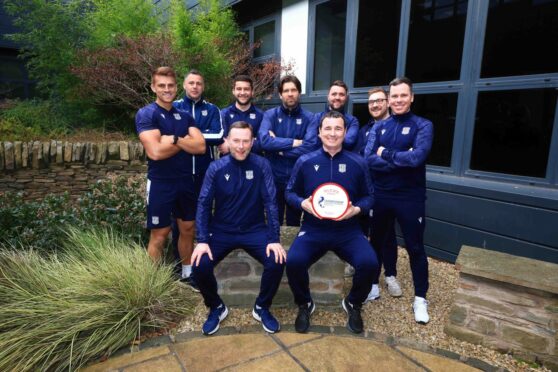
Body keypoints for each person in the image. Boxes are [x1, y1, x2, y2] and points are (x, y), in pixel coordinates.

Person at [285, 110, 378, 334]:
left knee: (370, 264)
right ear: (319, 132)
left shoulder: (358, 162)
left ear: (345, 132)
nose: (333, 133)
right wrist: (302, 204)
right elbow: (289, 192)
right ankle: (305, 303)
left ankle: (354, 303)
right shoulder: (305, 161)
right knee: (294, 262)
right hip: (313, 228)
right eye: (328, 128)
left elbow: (370, 197)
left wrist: (356, 209)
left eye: (338, 128)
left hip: (347, 230)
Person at [191, 121, 286, 335]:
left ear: (253, 142)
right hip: (222, 230)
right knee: (199, 265)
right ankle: (216, 306)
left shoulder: (262, 165)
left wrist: (274, 238)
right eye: (236, 141)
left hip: (254, 230)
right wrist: (202, 240)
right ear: (227, 141)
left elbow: (271, 202)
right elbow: (204, 203)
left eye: (245, 141)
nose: (241, 146)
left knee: (277, 260)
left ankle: (262, 307)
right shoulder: (216, 168)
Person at [363, 77, 433, 324]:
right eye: (394, 96)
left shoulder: (423, 126)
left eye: (403, 95)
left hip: (410, 197)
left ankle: (420, 299)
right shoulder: (379, 128)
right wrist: (400, 159)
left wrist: (388, 155)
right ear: (389, 99)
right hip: (381, 195)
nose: (398, 100)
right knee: (376, 243)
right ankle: (372, 284)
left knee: (415, 248)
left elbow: (417, 159)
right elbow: (369, 158)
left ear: (411, 97)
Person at [135, 66, 205, 265]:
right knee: (160, 233)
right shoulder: (146, 114)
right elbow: (155, 152)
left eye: (171, 85)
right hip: (160, 183)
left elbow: (200, 147)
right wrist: (185, 142)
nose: (167, 89)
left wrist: (175, 140)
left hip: (185, 181)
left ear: (177, 88)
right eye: (162, 85)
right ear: (153, 87)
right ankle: (152, 283)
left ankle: (188, 274)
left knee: (188, 229)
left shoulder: (184, 116)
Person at [171, 69, 224, 288]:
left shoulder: (212, 109)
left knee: (203, 218)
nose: (195, 86)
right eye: (191, 83)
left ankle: (203, 265)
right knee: (179, 223)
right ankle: (180, 266)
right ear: (184, 85)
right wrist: (198, 137)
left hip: (204, 173)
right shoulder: (173, 107)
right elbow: (165, 135)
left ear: (203, 86)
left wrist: (185, 137)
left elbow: (218, 136)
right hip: (178, 173)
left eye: (199, 83)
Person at [356, 88, 401, 302]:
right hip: (366, 188)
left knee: (387, 235)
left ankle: (390, 275)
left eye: (379, 101)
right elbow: (361, 159)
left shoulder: (396, 128)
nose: (374, 105)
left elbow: (396, 162)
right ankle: (365, 269)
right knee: (364, 230)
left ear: (388, 102)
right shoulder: (365, 130)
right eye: (371, 102)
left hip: (388, 190)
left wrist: (380, 160)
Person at [259, 75, 318, 226]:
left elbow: (310, 146)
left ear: (299, 93)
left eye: (293, 90)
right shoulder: (270, 115)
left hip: (297, 177)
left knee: (294, 223)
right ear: (280, 94)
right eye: (286, 90)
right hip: (274, 176)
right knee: (273, 221)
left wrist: (278, 149)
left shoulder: (310, 118)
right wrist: (294, 143)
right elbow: (264, 141)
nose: (290, 94)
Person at [219, 75, 264, 155]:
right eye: (239, 89)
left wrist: (230, 145)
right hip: (228, 164)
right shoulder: (224, 114)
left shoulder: (261, 116)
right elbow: (221, 142)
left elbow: (262, 143)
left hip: (254, 164)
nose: (242, 93)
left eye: (246, 89)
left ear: (252, 92)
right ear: (233, 91)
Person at [315, 80, 360, 151]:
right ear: (328, 96)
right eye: (334, 94)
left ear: (346, 98)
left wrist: (322, 138)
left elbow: (348, 142)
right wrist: (339, 138)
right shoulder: (317, 118)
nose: (337, 98)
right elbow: (311, 141)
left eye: (341, 94)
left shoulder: (352, 121)